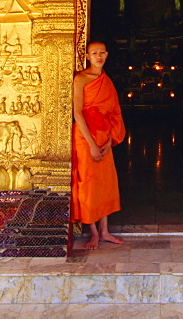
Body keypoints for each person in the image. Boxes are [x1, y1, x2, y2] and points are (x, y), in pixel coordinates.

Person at [71, 40, 126, 249]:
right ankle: (93, 232)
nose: (99, 56)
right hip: (86, 137)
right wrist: (92, 144)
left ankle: (105, 231)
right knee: (88, 184)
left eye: (102, 52)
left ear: (107, 54)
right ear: (87, 56)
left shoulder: (106, 81)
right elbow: (77, 113)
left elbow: (113, 112)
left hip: (104, 135)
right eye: (94, 53)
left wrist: (110, 139)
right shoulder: (81, 79)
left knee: (104, 184)